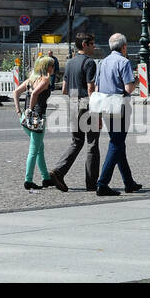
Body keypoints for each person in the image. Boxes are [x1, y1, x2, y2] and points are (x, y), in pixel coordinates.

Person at [49, 33, 101, 192]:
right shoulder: (90, 62)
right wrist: (97, 112)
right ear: (84, 44)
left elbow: (64, 89)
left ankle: (59, 170)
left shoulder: (70, 62)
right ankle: (91, 184)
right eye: (92, 44)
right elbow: (91, 89)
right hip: (86, 103)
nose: (94, 46)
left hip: (72, 103)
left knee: (76, 141)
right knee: (92, 144)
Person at [93, 33, 142, 197]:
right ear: (124, 46)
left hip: (105, 105)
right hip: (120, 106)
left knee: (119, 144)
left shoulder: (102, 62)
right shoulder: (124, 62)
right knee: (116, 143)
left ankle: (129, 182)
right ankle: (102, 182)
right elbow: (128, 89)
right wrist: (137, 82)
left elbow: (97, 88)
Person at [13, 55, 56, 191]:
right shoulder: (45, 80)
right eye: (52, 65)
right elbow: (35, 94)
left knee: (39, 148)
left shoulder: (31, 80)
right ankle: (28, 180)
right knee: (34, 150)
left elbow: (15, 92)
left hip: (25, 119)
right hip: (36, 118)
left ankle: (46, 178)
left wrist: (19, 112)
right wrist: (31, 111)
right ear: (46, 67)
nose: (54, 67)